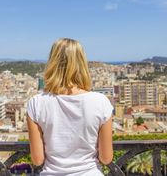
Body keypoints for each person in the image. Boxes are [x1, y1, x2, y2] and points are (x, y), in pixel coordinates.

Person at [27, 38, 114, 175]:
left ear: (52, 62)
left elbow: (37, 160)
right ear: (82, 63)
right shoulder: (101, 102)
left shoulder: (36, 103)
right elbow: (106, 158)